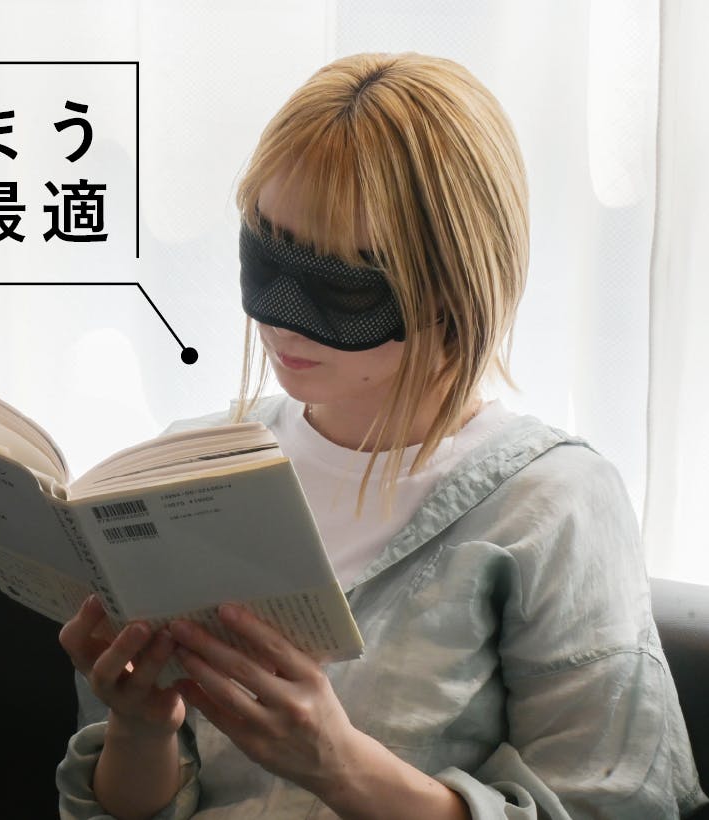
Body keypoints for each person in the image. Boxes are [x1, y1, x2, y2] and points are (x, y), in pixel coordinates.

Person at [55, 52, 708, 819]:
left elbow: (622, 807)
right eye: (265, 255)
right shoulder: (192, 468)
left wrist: (340, 766)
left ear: (454, 286)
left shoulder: (552, 507)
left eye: (342, 287)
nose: (280, 319)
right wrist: (141, 728)